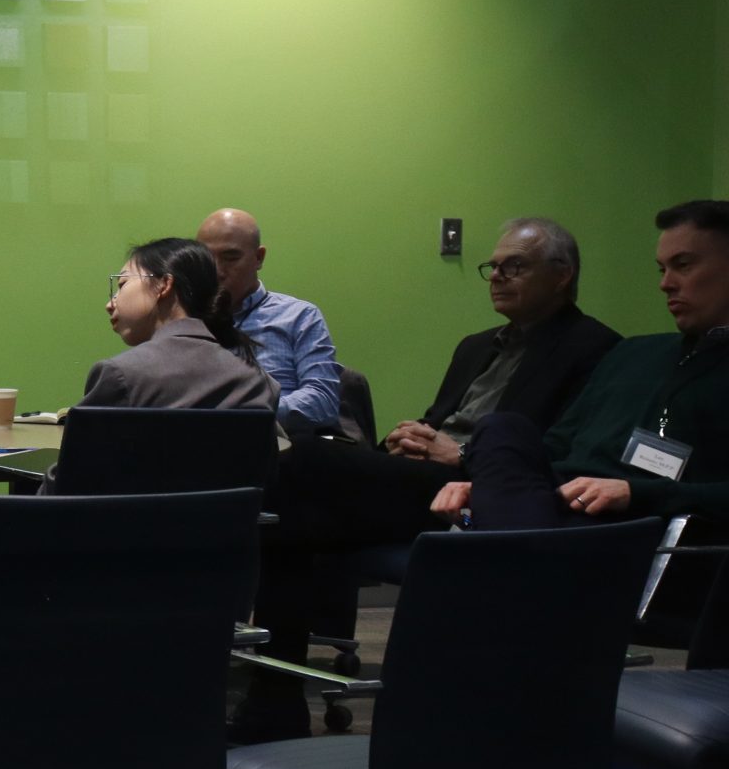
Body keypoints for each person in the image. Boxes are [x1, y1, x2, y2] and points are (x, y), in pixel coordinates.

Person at [268, 217, 621, 547]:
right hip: (425, 475)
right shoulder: (475, 345)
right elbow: (438, 422)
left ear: (562, 276)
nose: (497, 276)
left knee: (304, 458)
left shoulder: (594, 347)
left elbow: (559, 453)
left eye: (513, 266)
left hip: (480, 488)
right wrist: (407, 438)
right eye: (493, 267)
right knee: (301, 517)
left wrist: (461, 454)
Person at [442, 201, 729, 532]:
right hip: (558, 511)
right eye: (662, 269)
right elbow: (555, 448)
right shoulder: (632, 352)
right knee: (501, 429)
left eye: (683, 265)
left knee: (472, 551)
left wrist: (636, 493)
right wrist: (494, 486)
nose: (666, 283)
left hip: (635, 525)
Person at [80, 236, 280, 411]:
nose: (110, 304)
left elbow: (84, 454)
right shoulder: (259, 383)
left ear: (164, 285)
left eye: (122, 284)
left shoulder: (118, 375)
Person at [198, 208, 340, 432]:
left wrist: (245, 416)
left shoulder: (299, 316)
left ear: (259, 258)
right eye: (206, 258)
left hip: (284, 450)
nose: (216, 271)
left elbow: (323, 402)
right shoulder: (185, 319)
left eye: (230, 257)